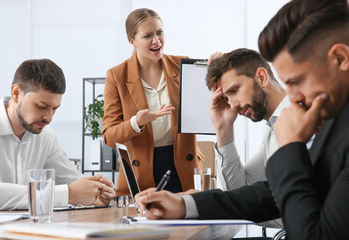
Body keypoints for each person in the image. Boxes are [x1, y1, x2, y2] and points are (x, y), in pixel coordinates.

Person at [135, 0, 349, 239]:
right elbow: (269, 193)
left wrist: (290, 147)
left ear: (341, 58)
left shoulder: (308, 122)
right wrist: (186, 205)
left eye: (297, 81)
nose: (293, 97)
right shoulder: (332, 118)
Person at [0, 59, 115, 211]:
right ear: (16, 93)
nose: (49, 118)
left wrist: (97, 189)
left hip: (26, 229)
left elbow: (71, 178)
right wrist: (67, 195)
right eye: (42, 107)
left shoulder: (44, 132)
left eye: (54, 109)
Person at [102, 8, 203, 196]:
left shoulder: (184, 65)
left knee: (188, 224)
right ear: (132, 41)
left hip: (182, 164)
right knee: (143, 223)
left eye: (160, 32)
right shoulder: (116, 76)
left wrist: (218, 67)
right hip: (141, 170)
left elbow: (205, 107)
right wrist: (137, 122)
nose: (157, 41)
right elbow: (109, 136)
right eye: (147, 35)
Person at [207, 49, 287, 228]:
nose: (233, 105)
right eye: (227, 98)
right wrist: (223, 128)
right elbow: (240, 193)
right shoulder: (272, 129)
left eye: (234, 90)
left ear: (261, 77)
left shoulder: (304, 115)